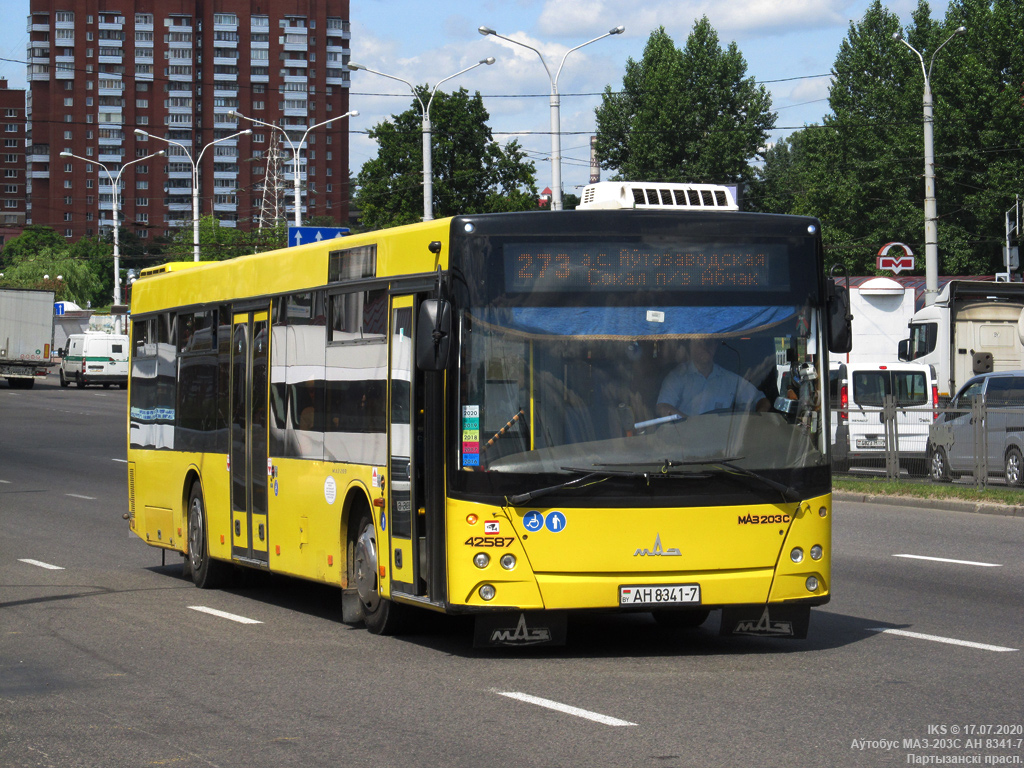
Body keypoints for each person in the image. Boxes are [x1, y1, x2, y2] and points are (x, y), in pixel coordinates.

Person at [656, 337, 770, 419]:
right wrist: (691, 426)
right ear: (690, 345)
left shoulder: (729, 379)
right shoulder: (677, 377)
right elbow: (663, 407)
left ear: (715, 346)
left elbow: (762, 400)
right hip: (684, 441)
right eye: (699, 342)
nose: (704, 347)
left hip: (725, 442)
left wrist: (756, 422)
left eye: (708, 343)